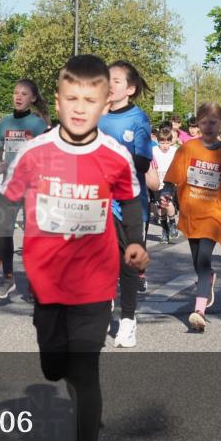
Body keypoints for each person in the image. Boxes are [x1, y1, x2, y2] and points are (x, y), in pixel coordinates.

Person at [0, 55, 149, 441]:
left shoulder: (114, 155)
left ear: (104, 102)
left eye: (90, 100)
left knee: (85, 368)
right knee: (55, 368)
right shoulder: (35, 152)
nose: (79, 108)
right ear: (58, 99)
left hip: (95, 281)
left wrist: (134, 243)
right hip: (47, 282)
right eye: (71, 98)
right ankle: (78, 403)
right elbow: (7, 203)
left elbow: (131, 201)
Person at [163, 103, 221, 332]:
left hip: (213, 215)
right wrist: (166, 194)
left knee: (203, 261)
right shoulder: (188, 149)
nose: (208, 126)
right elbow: (173, 176)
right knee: (197, 263)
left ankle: (199, 310)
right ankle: (208, 279)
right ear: (198, 124)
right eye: (204, 122)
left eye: (213, 122)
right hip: (191, 214)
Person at [97, 60, 155, 347]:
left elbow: (143, 163)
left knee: (128, 262)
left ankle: (128, 320)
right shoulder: (99, 118)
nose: (110, 84)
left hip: (130, 202)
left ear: (130, 89)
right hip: (99, 202)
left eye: (116, 80)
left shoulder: (138, 119)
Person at [0, 78, 50, 300]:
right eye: (16, 93)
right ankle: (8, 278)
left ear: (32, 98)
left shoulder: (38, 125)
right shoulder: (5, 123)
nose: (18, 97)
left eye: (24, 94)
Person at [151, 125, 179, 244]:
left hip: (170, 181)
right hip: (157, 182)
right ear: (158, 141)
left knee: (166, 202)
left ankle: (172, 223)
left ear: (171, 141)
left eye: (167, 142)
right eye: (162, 142)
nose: (165, 145)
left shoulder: (175, 150)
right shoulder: (153, 151)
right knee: (160, 208)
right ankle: (164, 229)